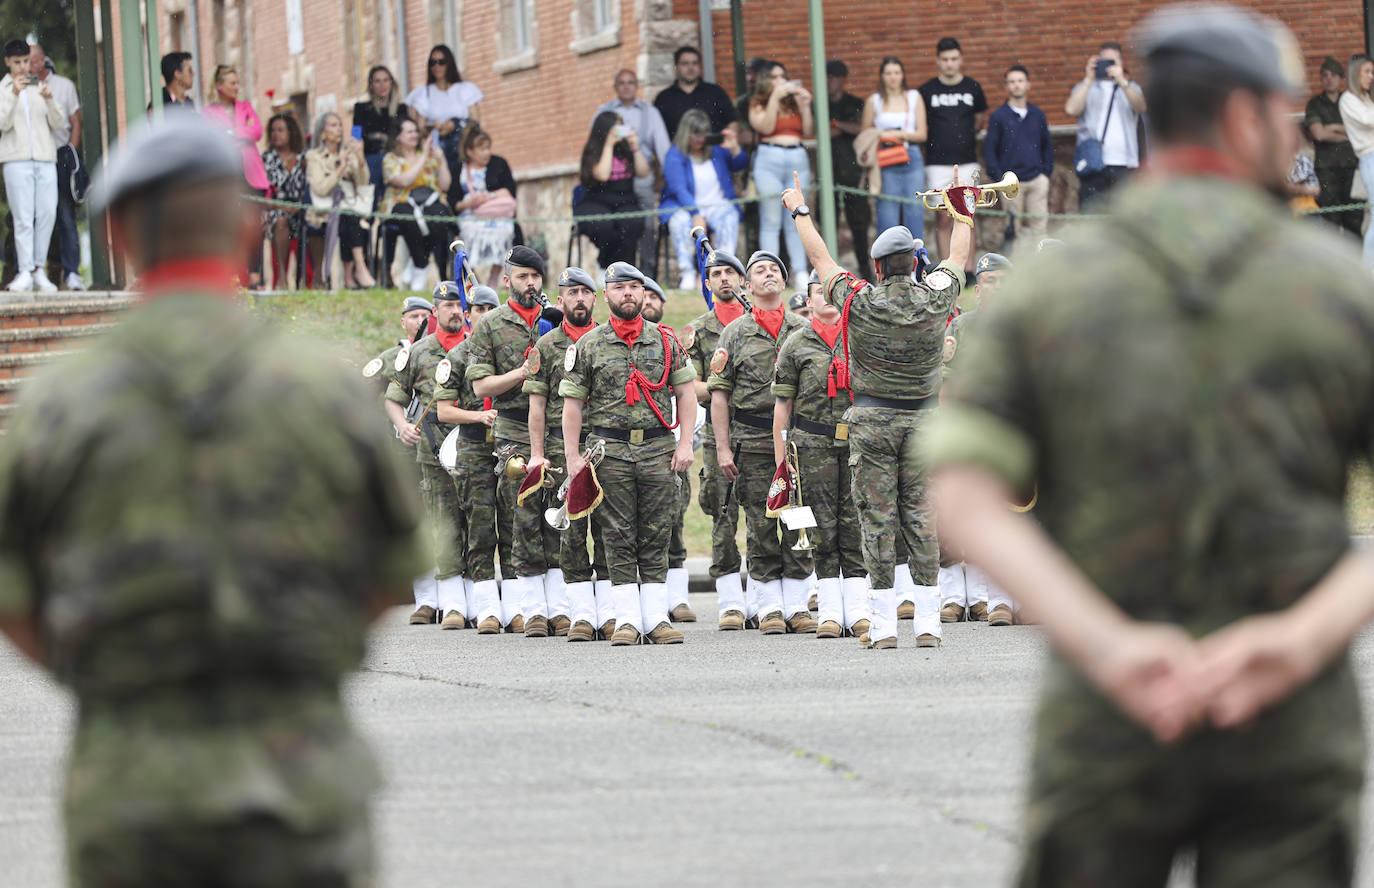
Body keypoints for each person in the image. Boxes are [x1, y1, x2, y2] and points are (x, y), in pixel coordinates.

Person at [929, 6, 1374, 882]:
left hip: (1109, 712)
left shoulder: (1050, 294)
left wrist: (1106, 646)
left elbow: (960, 496)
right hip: (1289, 713)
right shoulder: (1333, 290)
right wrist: (1302, 635)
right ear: (1246, 118)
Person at [0, 113, 421, 887]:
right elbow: (394, 574)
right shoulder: (326, 390)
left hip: (131, 793)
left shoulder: (59, 404)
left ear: (122, 232)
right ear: (247, 228)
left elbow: (12, 595)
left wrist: (105, 674)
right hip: (303, 785)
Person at [785, 166, 970, 650]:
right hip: (925, 419)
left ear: (878, 265)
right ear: (913, 263)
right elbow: (958, 256)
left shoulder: (860, 301)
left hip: (871, 422)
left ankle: (885, 625)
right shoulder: (936, 299)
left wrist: (799, 210)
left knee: (877, 519)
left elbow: (820, 257)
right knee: (922, 517)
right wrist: (961, 205)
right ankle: (928, 623)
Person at [559, 261, 696, 646]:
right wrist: (572, 458)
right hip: (610, 451)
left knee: (656, 533)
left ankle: (655, 618)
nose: (629, 294)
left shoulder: (666, 342)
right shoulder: (589, 345)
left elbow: (685, 393)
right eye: (620, 288)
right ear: (607, 295)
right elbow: (572, 406)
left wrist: (685, 443)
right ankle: (626, 619)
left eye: (635, 287)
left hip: (657, 450)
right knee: (616, 536)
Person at [708, 250, 816, 635]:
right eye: (759, 270)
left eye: (775, 269)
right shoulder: (734, 333)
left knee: (799, 518)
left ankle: (799, 606)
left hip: (800, 443)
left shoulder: (804, 330)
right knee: (761, 522)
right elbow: (719, 395)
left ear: (783, 283)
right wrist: (722, 448)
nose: (768, 274)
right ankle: (769, 606)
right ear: (747, 285)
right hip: (751, 442)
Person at [466, 246, 566, 638]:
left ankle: (560, 608)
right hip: (513, 428)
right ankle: (533, 609)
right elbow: (480, 385)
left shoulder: (555, 321)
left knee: (558, 515)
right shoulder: (489, 325)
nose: (530, 284)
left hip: (556, 428)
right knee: (521, 516)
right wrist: (522, 372)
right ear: (506, 280)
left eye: (535, 277)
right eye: (522, 277)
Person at [771, 270, 864, 638]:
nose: (825, 297)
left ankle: (857, 609)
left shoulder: (860, 337)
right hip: (811, 447)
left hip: (855, 443)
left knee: (855, 523)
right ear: (808, 301)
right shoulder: (796, 343)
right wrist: (782, 460)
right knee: (820, 527)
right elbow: (783, 405)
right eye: (817, 292)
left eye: (830, 291)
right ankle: (828, 610)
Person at [523, 266, 612, 640]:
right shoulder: (545, 346)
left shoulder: (609, 340)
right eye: (571, 293)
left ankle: (610, 614)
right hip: (563, 450)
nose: (578, 299)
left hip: (609, 447)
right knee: (571, 533)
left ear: (595, 299)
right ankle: (579, 615)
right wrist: (538, 453)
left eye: (585, 292)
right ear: (560, 300)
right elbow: (538, 406)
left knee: (610, 530)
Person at [385, 282, 472, 627]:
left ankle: (471, 599)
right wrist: (402, 426)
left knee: (474, 523)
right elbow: (394, 397)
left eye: (457, 305)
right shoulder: (418, 351)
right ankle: (435, 600)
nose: (453, 310)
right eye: (446, 305)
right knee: (437, 524)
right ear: (436, 312)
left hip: (473, 446)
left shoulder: (474, 348)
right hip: (431, 451)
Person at [936, 251, 1012, 625]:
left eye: (1003, 281)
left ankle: (999, 597)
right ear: (978, 289)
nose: (996, 288)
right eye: (990, 282)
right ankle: (963, 596)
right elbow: (945, 386)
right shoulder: (961, 328)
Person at [683, 249, 750, 628]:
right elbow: (687, 384)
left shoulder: (760, 323)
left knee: (766, 513)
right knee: (722, 513)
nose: (724, 278)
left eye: (731, 272)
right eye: (717, 274)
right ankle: (730, 602)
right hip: (719, 430)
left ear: (742, 280)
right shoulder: (699, 330)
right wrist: (723, 388)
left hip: (761, 427)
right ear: (707, 284)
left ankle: (764, 596)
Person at [435, 285, 506, 632]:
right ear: (468, 315)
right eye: (478, 309)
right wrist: (478, 417)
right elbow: (444, 410)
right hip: (475, 447)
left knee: (513, 525)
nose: (484, 315)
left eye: (490, 309)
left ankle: (517, 603)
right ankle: (485, 606)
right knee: (479, 526)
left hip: (509, 446)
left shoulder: (509, 353)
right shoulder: (459, 357)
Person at [640, 274, 696, 622]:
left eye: (653, 297)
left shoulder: (674, 343)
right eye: (641, 295)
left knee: (671, 523)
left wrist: (685, 441)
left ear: (663, 305)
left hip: (671, 445)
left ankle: (676, 597)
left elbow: (689, 394)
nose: (646, 302)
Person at [0, 38, 65, 293]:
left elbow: (59, 123)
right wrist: (14, 94)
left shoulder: (41, 86)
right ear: (7, 62)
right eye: (17, 63)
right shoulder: (3, 89)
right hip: (16, 159)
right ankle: (25, 270)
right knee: (23, 217)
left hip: (45, 158)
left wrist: (49, 99)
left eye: (25, 61)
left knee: (47, 213)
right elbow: (2, 124)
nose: (22, 67)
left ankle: (38, 269)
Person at [594, 69, 672, 276]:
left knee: (646, 226)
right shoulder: (604, 111)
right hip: (612, 181)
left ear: (637, 86)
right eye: (622, 83)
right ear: (615, 87)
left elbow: (663, 150)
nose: (627, 86)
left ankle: (647, 273)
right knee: (614, 226)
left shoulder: (650, 113)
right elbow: (594, 145)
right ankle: (616, 272)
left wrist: (667, 178)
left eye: (631, 82)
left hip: (641, 177)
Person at [659, 109, 747, 289]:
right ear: (686, 133)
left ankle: (725, 268)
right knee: (679, 222)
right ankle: (688, 273)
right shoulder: (675, 154)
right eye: (695, 134)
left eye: (703, 134)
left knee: (729, 217)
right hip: (685, 206)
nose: (700, 139)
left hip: (717, 204)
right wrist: (695, 213)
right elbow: (678, 187)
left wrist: (734, 147)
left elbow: (740, 164)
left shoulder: (716, 150)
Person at [919, 38, 987, 271]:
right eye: (945, 59)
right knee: (944, 217)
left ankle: (969, 271)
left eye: (954, 59)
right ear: (938, 61)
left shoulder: (973, 88)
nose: (950, 64)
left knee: (967, 216)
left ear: (961, 60)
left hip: (967, 160)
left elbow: (978, 121)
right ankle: (948, 270)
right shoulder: (927, 91)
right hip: (937, 163)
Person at [202, 65, 268, 287]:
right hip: (226, 174)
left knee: (254, 225)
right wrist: (241, 135)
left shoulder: (246, 107)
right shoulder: (209, 112)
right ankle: (232, 274)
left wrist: (231, 133)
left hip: (251, 173)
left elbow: (257, 131)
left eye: (238, 82)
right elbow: (212, 137)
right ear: (219, 86)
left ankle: (255, 273)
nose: (236, 87)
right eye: (232, 83)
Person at [749, 62, 814, 287]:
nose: (780, 81)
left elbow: (807, 130)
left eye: (782, 76)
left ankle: (801, 272)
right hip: (769, 158)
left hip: (796, 156)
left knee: (796, 216)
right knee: (771, 219)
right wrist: (774, 99)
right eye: (774, 77)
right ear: (766, 81)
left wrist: (805, 106)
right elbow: (765, 128)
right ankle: (768, 274)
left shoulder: (793, 102)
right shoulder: (758, 103)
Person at [1066, 40, 1148, 208]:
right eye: (1104, 61)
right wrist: (1088, 79)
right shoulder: (1086, 87)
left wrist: (1122, 81)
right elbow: (1072, 109)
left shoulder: (1130, 87)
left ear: (1121, 63)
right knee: (1090, 215)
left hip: (1123, 163)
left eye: (1113, 61)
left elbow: (1141, 107)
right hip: (1093, 163)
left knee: (1123, 216)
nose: (1108, 65)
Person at [30, 45, 83, 291]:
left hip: (59, 153)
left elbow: (75, 121)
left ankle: (71, 273)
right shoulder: (21, 87)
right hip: (32, 155)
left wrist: (70, 153)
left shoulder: (63, 85)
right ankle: (30, 271)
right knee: (31, 217)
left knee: (65, 216)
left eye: (30, 60)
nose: (26, 65)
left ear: (41, 60)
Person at [984, 65, 1054, 247]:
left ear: (1028, 84)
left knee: (1040, 230)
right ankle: (1013, 272)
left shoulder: (1037, 115)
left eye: (1020, 81)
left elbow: (1048, 146)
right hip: (1011, 184)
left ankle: (1042, 268)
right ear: (1006, 86)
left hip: (1037, 179)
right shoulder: (998, 117)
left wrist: (1045, 173)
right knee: (1012, 230)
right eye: (1012, 82)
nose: (1016, 85)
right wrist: (1000, 178)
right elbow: (990, 150)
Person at [862, 56, 928, 242]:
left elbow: (922, 134)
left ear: (903, 75)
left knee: (914, 209)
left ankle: (917, 261)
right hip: (885, 157)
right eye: (888, 73)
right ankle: (887, 263)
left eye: (897, 72)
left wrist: (896, 134)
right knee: (887, 213)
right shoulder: (874, 101)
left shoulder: (914, 97)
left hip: (910, 154)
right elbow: (866, 135)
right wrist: (882, 136)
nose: (893, 77)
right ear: (882, 76)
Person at [306, 111, 374, 289]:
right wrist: (340, 168)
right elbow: (320, 188)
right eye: (333, 125)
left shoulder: (348, 152)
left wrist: (359, 157)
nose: (338, 130)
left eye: (340, 125)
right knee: (348, 218)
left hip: (348, 206)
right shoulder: (313, 156)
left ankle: (353, 272)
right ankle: (356, 270)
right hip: (324, 210)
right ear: (322, 131)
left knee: (349, 218)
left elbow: (363, 182)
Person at [382, 118, 453, 291]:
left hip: (429, 200)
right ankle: (421, 264)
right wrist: (423, 156)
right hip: (402, 201)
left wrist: (442, 160)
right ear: (398, 136)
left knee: (440, 216)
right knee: (409, 217)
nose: (414, 135)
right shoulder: (391, 159)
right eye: (409, 131)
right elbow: (405, 180)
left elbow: (445, 185)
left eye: (415, 131)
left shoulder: (430, 157)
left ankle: (433, 269)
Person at [575, 111, 648, 269]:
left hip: (625, 200)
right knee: (603, 226)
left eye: (621, 125)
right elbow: (602, 175)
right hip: (597, 200)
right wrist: (608, 145)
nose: (619, 130)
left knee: (632, 224)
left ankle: (626, 270)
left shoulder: (626, 149)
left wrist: (635, 147)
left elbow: (644, 172)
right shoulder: (593, 150)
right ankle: (606, 265)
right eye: (615, 127)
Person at [821, 59, 872, 278]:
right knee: (826, 224)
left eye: (833, 77)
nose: (830, 82)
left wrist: (836, 125)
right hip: (827, 172)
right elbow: (817, 131)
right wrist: (842, 127)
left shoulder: (855, 103)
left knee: (859, 226)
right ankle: (828, 273)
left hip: (853, 172)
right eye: (827, 77)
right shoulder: (820, 104)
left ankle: (866, 272)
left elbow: (862, 128)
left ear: (843, 79)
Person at [451, 124, 519, 286]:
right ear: (469, 151)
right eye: (481, 149)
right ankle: (475, 281)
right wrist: (468, 203)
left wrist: (489, 196)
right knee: (466, 234)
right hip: (469, 213)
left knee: (506, 230)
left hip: (496, 213)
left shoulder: (499, 163)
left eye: (488, 148)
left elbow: (510, 190)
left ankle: (493, 279)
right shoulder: (459, 169)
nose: (486, 153)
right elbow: (453, 201)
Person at [406, 44, 482, 175]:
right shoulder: (424, 93)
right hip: (437, 147)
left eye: (441, 62)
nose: (437, 66)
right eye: (433, 62)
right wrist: (435, 128)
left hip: (462, 146)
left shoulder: (465, 89)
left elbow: (476, 122)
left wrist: (455, 124)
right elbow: (419, 126)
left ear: (449, 63)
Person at [1306, 57, 1360, 237]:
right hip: (1327, 170)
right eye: (1325, 76)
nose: (1329, 79)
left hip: (1352, 166)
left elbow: (1359, 131)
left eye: (1334, 75)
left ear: (1341, 79)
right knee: (1331, 222)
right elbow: (1318, 134)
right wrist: (1346, 132)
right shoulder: (1315, 104)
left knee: (1354, 219)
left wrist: (1333, 127)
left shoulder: (1350, 101)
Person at [353, 65, 410, 210]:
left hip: (394, 160)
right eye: (377, 81)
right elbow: (355, 137)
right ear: (371, 85)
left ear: (392, 83)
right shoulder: (361, 109)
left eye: (386, 80)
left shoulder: (402, 109)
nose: (382, 85)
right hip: (370, 160)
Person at [260, 113, 307, 287]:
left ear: (291, 132)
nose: (275, 134)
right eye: (272, 130)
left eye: (280, 130)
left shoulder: (303, 158)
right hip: (275, 209)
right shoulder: (266, 159)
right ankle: (281, 277)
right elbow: (261, 194)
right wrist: (282, 207)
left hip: (300, 210)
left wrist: (298, 207)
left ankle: (312, 279)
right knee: (280, 220)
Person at [653, 46, 739, 140]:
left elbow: (732, 121)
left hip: (713, 152)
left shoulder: (715, 92)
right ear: (676, 67)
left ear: (700, 67)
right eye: (685, 64)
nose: (690, 68)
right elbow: (655, 131)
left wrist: (727, 147)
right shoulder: (664, 98)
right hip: (677, 153)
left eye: (695, 63)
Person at [1339, 54, 1374, 268]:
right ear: (1355, 73)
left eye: (1373, 72)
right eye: (1367, 72)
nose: (1371, 77)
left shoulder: (1365, 98)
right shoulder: (1348, 99)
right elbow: (1368, 120)